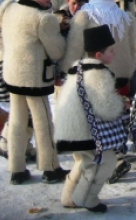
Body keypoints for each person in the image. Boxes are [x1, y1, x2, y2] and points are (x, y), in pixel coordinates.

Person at [0, 0, 69, 185]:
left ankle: (17, 169)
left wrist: (7, 48)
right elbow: (57, 50)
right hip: (35, 77)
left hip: (13, 74)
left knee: (17, 121)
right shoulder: (44, 18)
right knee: (43, 123)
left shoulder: (10, 8)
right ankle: (50, 168)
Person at [58, 0, 136, 183]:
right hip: (122, 74)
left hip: (95, 74)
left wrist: (66, 70)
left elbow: (76, 47)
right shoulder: (126, 17)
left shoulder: (85, 15)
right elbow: (132, 49)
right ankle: (117, 154)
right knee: (117, 118)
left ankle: (113, 161)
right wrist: (128, 72)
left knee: (98, 120)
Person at [55, 25, 127, 214]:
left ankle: (69, 196)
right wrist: (122, 104)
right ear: (98, 55)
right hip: (84, 131)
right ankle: (86, 198)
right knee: (105, 161)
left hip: (69, 129)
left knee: (83, 162)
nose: (114, 53)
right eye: (111, 50)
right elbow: (107, 107)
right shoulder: (99, 73)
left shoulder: (78, 69)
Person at [0, 0, 35, 162]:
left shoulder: (33, 7)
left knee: (26, 109)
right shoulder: (10, 6)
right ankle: (7, 144)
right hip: (11, 64)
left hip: (29, 64)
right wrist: (8, 46)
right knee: (21, 109)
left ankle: (24, 145)